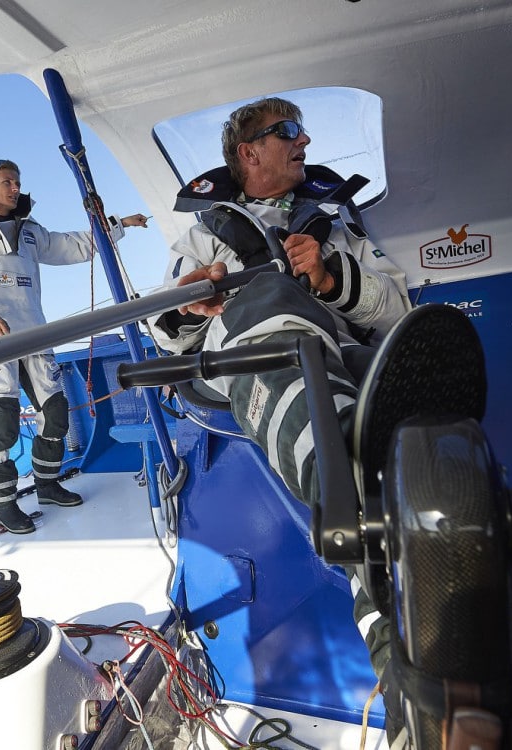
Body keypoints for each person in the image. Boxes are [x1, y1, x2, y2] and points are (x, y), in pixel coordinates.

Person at [151, 97, 412, 735]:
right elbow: (166, 338)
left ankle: (401, 637)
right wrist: (189, 306)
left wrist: (331, 278)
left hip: (333, 359)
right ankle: (397, 617)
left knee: (364, 379)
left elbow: (397, 307)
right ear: (250, 153)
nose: (305, 140)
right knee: (268, 297)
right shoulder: (204, 236)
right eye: (288, 131)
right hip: (246, 364)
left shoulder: (334, 222)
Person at [0, 158, 147, 535]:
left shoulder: (31, 232)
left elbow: (74, 246)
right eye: (6, 182)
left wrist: (117, 226)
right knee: (0, 426)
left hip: (36, 334)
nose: (14, 188)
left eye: (17, 182)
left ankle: (47, 486)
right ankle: (4, 504)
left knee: (56, 414)